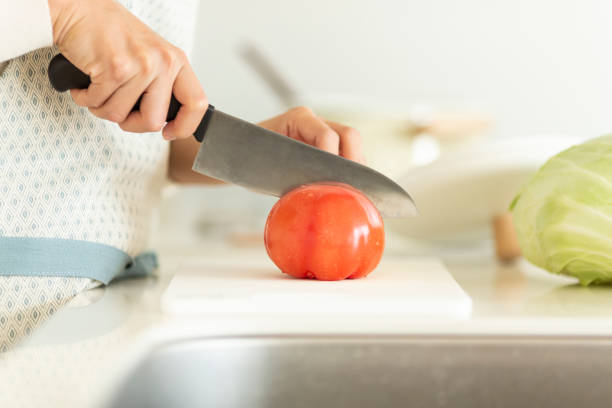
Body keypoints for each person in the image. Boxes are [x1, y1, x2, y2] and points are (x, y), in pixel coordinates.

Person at [0, 0, 364, 350]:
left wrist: (248, 149)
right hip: (16, 315)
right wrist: (63, 11)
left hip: (108, 308)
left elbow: (137, 146)